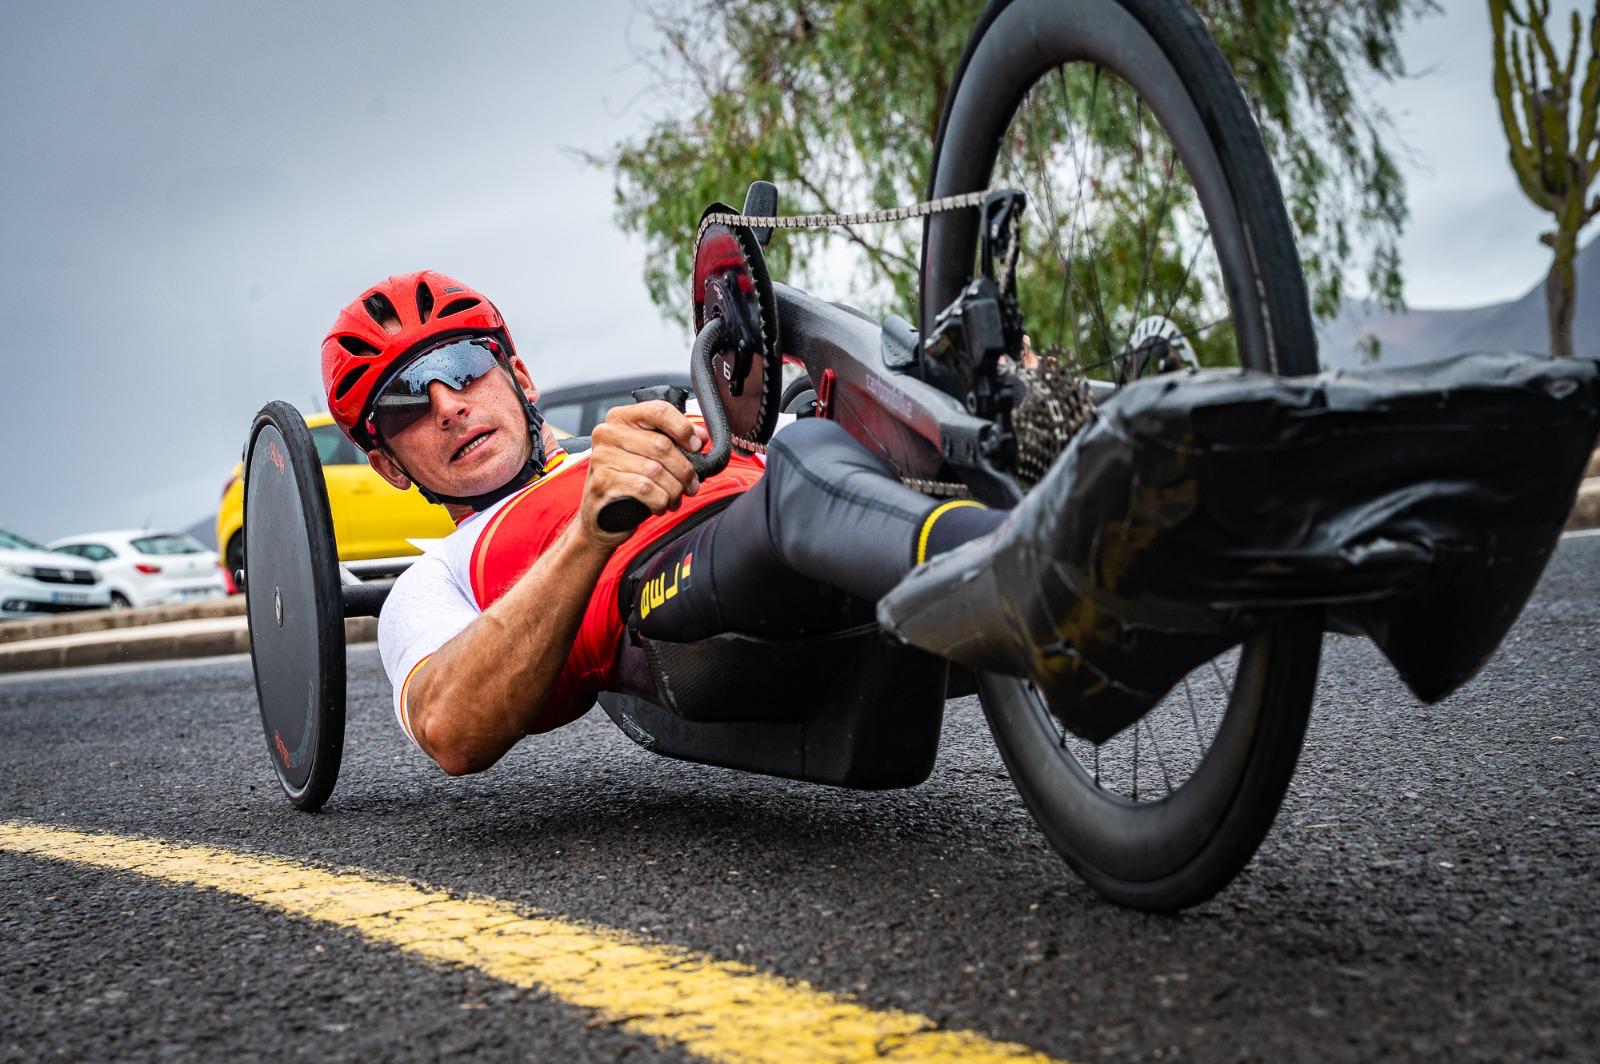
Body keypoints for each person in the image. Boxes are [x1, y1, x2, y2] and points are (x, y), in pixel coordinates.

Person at [322, 271, 1006, 776]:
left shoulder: (656, 429)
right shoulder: (433, 577)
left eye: (464, 369)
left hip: (816, 522)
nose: (447, 405)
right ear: (388, 465)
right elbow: (449, 727)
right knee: (804, 462)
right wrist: (590, 532)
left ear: (520, 379)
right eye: (407, 404)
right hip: (683, 612)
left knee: (860, 434)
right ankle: (1011, 563)